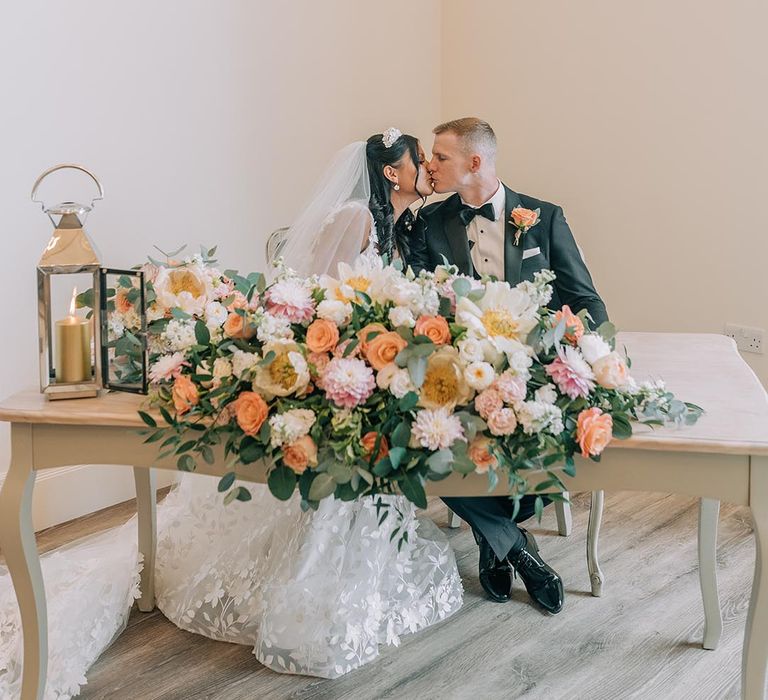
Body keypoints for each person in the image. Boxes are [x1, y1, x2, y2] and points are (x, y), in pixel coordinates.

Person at [0, 130, 462, 699]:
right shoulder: (352, 217)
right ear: (393, 171)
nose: (427, 169)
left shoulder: (397, 225)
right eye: (422, 159)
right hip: (327, 362)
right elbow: (312, 294)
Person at [405, 117, 608, 615]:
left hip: (537, 368)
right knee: (424, 440)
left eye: (440, 157)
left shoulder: (544, 216)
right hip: (459, 373)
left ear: (475, 162)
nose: (431, 165)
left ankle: (490, 536)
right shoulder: (429, 223)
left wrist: (597, 359)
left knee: (562, 433)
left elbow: (587, 302)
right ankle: (515, 547)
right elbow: (416, 304)